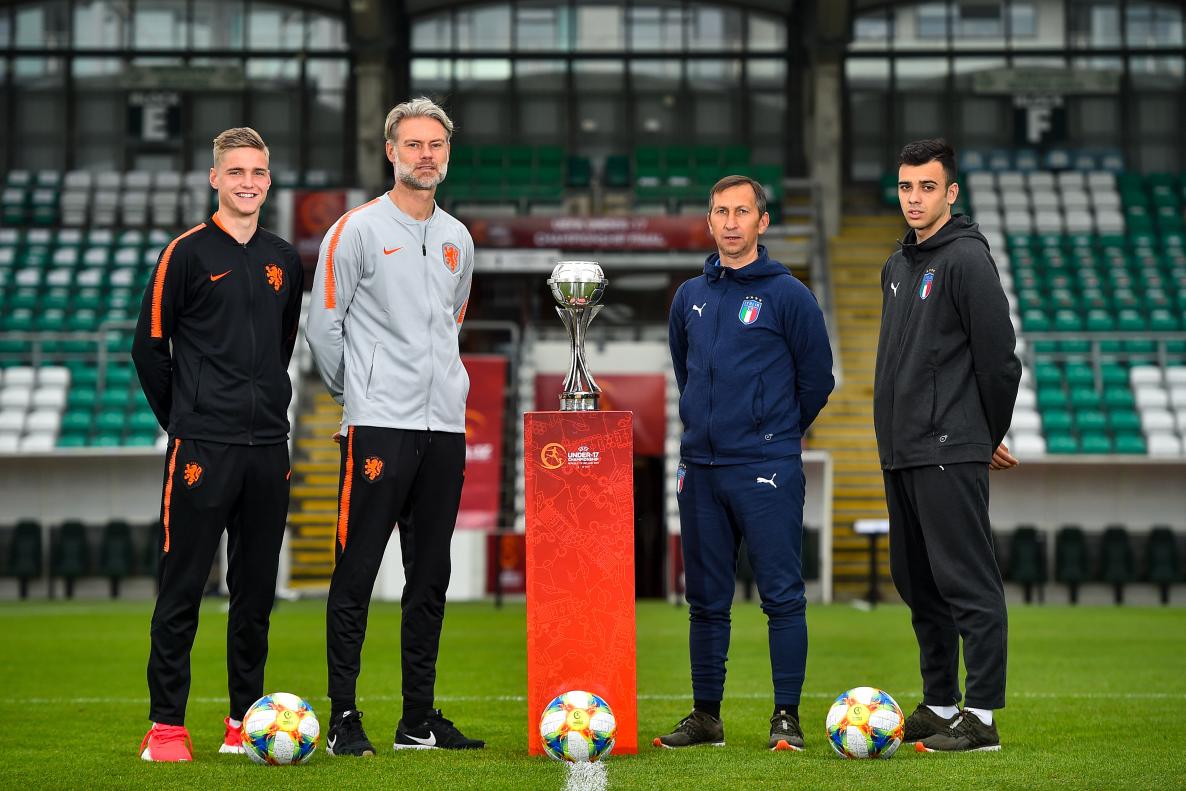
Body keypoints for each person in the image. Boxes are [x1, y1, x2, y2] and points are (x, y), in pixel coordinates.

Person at [305, 97, 482, 756]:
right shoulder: (353, 230)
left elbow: (451, 321)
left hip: (444, 430)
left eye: (436, 144)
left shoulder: (459, 238)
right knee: (355, 573)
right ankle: (344, 716)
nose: (425, 155)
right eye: (413, 144)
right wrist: (358, 396)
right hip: (378, 423)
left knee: (429, 576)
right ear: (391, 151)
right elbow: (323, 324)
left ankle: (417, 719)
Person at [131, 127, 303, 761]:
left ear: (267, 179)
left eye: (257, 172)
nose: (248, 182)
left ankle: (243, 724)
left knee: (254, 597)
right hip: (203, 446)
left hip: (268, 450)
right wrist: (185, 417)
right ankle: (166, 726)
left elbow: (282, 346)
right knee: (182, 590)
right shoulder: (185, 254)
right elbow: (149, 347)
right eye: (236, 172)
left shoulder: (286, 258)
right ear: (215, 179)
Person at [658, 175, 834, 752]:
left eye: (742, 211)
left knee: (781, 595)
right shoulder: (689, 296)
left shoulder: (790, 295)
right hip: (700, 469)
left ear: (763, 221)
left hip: (765, 466)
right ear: (708, 222)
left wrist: (772, 432)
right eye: (720, 212)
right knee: (705, 600)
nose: (730, 222)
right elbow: (688, 374)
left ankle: (786, 717)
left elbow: (817, 381)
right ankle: (706, 716)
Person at [874, 138, 1021, 753]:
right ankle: (938, 703)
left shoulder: (966, 260)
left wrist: (985, 433)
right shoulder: (897, 265)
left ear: (950, 192)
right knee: (918, 583)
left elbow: (999, 361)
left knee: (967, 582)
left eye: (927, 187)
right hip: (902, 450)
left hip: (948, 446)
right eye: (906, 187)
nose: (914, 198)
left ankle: (981, 716)